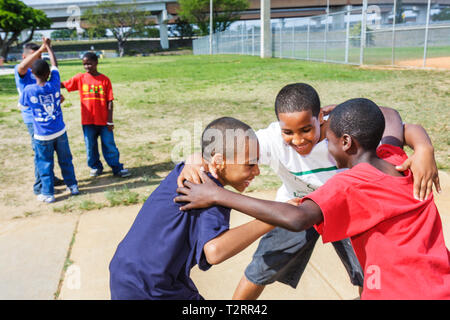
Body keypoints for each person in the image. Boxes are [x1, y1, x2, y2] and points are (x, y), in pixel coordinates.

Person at [177, 83, 440, 299]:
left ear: (323, 120)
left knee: (365, 272)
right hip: (298, 204)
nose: (298, 139)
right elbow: (226, 146)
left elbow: (388, 117)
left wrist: (219, 195)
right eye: (288, 132)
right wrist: (193, 160)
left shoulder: (343, 147)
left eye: (307, 130)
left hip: (345, 207)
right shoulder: (274, 140)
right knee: (261, 267)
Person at [109, 117, 274, 300]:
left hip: (126, 271)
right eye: (250, 164)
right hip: (153, 286)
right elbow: (215, 251)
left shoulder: (187, 170)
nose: (257, 171)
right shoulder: (207, 191)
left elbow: (200, 157)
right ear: (219, 161)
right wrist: (269, 219)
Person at [19, 38, 79, 203]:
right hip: (59, 130)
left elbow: (23, 105)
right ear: (49, 74)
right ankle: (72, 186)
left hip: (42, 135)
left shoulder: (29, 90)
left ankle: (48, 193)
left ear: (33, 73)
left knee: (45, 163)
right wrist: (49, 49)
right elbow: (55, 65)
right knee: (65, 159)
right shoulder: (54, 84)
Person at [61, 52, 130, 178]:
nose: (87, 66)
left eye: (89, 63)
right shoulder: (80, 78)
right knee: (90, 146)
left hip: (104, 121)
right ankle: (95, 167)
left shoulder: (104, 80)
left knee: (109, 145)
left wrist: (110, 121)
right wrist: (47, 82)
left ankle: (116, 168)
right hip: (88, 121)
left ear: (96, 63)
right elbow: (64, 85)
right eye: (84, 64)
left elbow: (110, 101)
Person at [14, 41, 64, 195]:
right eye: (35, 56)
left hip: (47, 117)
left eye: (40, 56)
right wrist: (42, 48)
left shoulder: (38, 71)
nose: (38, 59)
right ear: (24, 56)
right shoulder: (21, 70)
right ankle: (39, 186)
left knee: (48, 151)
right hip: (33, 120)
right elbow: (22, 67)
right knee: (40, 153)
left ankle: (50, 178)